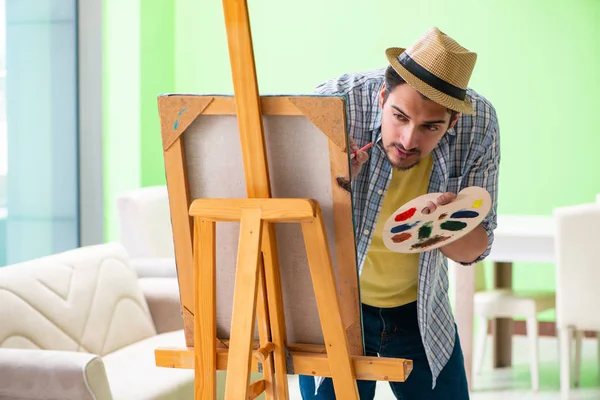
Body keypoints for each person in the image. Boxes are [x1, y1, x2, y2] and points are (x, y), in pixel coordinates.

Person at [299, 27, 500, 399]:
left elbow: (475, 249)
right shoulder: (332, 105)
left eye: (430, 127)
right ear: (381, 97)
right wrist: (330, 182)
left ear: (453, 122)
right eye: (400, 116)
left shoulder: (479, 126)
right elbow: (288, 215)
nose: (409, 140)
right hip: (337, 306)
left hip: (420, 310)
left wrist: (443, 225)